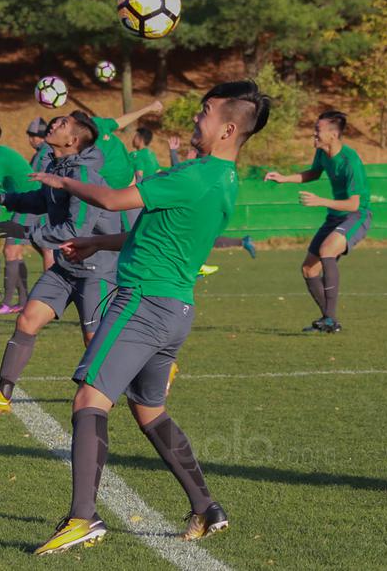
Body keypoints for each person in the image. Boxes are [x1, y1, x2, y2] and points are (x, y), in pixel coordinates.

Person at [30, 80, 270, 554]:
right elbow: (161, 233)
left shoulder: (195, 174)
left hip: (141, 301)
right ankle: (205, 506)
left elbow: (114, 200)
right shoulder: (223, 180)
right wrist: (100, 243)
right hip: (176, 308)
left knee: (88, 401)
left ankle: (82, 518)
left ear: (226, 129)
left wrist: (64, 180)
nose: (196, 119)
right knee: (150, 410)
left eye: (204, 112)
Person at [0, 112, 120, 413]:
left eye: (62, 125)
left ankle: (151, 374)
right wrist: (2, 200)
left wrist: (25, 232)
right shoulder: (56, 166)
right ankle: (2, 395)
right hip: (66, 267)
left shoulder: (84, 177)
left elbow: (76, 231)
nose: (53, 125)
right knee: (27, 319)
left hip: (97, 269)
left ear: (73, 141)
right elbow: (41, 201)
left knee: (94, 340)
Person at [264, 110, 370, 333]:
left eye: (317, 130)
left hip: (356, 216)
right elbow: (313, 173)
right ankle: (329, 321)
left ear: (333, 135)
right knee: (309, 269)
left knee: (327, 249)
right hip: (336, 216)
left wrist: (321, 201)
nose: (313, 133)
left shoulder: (350, 161)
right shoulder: (323, 153)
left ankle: (329, 319)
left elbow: (353, 204)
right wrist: (284, 179)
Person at [0, 119, 42, 314]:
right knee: (17, 253)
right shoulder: (0, 154)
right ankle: (23, 301)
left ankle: (7, 303)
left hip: (30, 204)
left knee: (11, 251)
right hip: (29, 203)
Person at [92, 102, 163, 230]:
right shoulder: (151, 154)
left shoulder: (137, 155)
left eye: (135, 136)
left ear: (140, 138)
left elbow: (139, 173)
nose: (133, 138)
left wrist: (138, 191)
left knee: (127, 232)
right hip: (145, 197)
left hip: (130, 195)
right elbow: (159, 172)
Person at [27, 117, 55, 272]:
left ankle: (50, 284)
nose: (31, 139)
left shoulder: (44, 152)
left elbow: (33, 178)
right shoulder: (43, 152)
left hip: (42, 204)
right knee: (40, 243)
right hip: (44, 202)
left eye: (34, 136)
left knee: (45, 246)